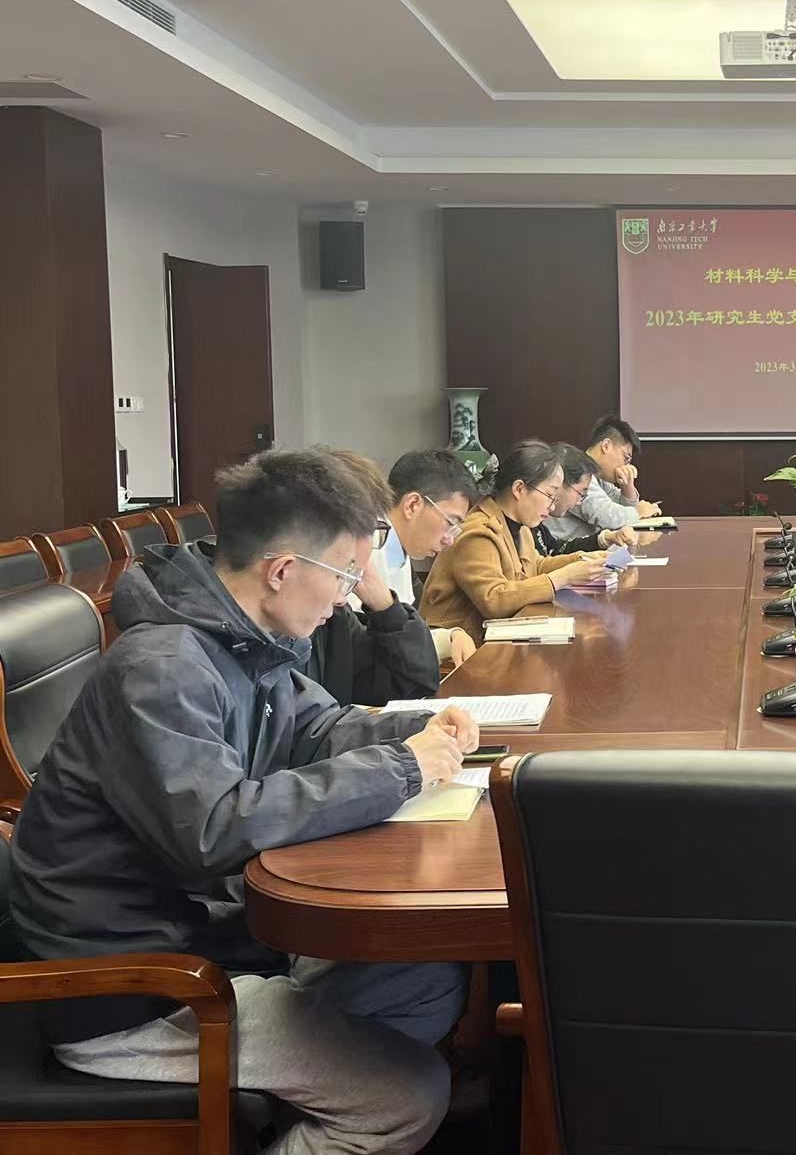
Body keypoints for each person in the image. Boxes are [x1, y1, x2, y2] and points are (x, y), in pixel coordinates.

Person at [7, 447, 480, 1155]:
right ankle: (345, 1109)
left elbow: (316, 727)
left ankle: (298, 1105)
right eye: (344, 574)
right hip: (138, 990)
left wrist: (420, 729)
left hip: (217, 937)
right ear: (282, 570)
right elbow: (215, 828)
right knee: (407, 1096)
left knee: (423, 977)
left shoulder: (244, 641)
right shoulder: (163, 667)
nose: (347, 597)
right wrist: (401, 769)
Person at [300, 449, 469, 707]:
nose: (450, 539)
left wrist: (385, 605)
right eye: (450, 523)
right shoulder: (361, 566)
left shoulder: (342, 609)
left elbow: (409, 679)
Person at [419, 438, 607, 639]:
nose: (552, 506)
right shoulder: (478, 532)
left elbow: (536, 566)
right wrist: (562, 577)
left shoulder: (522, 527)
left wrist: (581, 560)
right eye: (549, 495)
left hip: (496, 637)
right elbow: (494, 600)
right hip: (457, 646)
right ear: (519, 489)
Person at [545, 414, 661, 544]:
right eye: (626, 458)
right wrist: (638, 512)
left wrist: (627, 486)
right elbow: (609, 517)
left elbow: (622, 510)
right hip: (563, 549)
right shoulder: (579, 472)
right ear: (606, 446)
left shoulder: (599, 477)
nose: (626, 465)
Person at [534, 443, 640, 557]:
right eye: (549, 493)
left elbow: (558, 547)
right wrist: (639, 512)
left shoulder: (539, 528)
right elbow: (610, 517)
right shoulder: (528, 524)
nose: (552, 506)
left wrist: (606, 538)